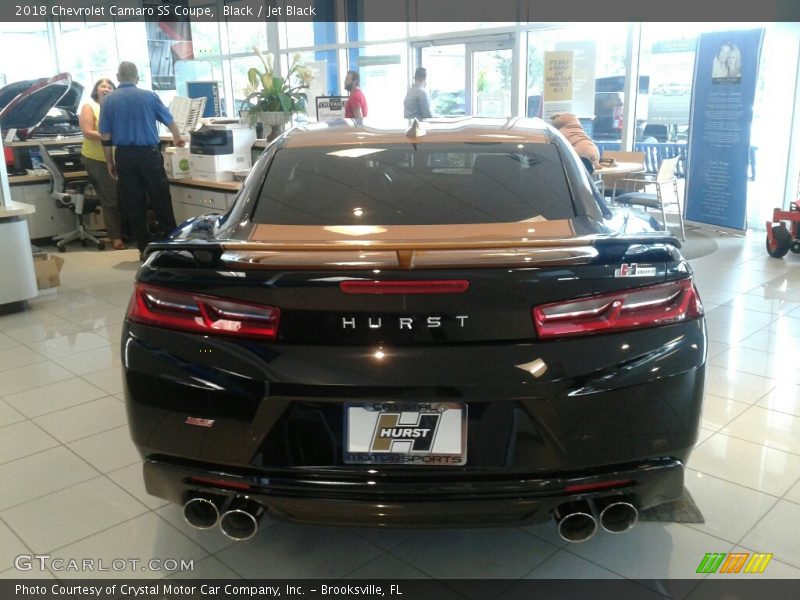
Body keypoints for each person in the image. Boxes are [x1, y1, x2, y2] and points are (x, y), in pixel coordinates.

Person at [99, 61, 186, 259]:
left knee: (133, 202)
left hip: (124, 156)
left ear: (118, 77)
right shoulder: (150, 96)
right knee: (160, 198)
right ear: (137, 78)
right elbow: (169, 119)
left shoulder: (108, 101)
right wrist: (177, 136)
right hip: (148, 154)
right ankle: (170, 245)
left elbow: (105, 136)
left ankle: (144, 248)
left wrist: (110, 162)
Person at [79, 78, 125, 250]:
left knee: (122, 196)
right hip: (97, 158)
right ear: (96, 90)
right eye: (102, 86)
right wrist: (108, 137)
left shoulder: (116, 109)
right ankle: (116, 237)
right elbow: (87, 131)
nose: (106, 88)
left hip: (117, 157)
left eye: (110, 86)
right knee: (110, 198)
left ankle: (125, 232)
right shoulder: (90, 107)